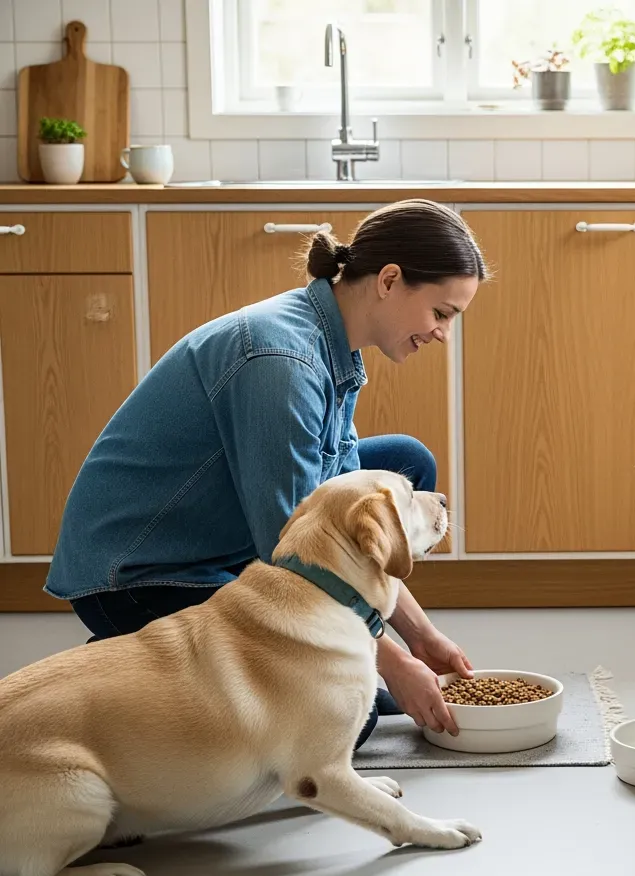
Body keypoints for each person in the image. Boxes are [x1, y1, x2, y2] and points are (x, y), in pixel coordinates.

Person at [44, 198, 487, 751]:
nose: (443, 333)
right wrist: (392, 662)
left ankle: (201, 672)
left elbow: (344, 521)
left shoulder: (331, 344)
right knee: (337, 719)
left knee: (405, 464)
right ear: (390, 281)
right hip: (142, 575)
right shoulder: (282, 362)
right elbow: (298, 554)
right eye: (441, 313)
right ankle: (124, 681)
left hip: (222, 540)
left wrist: (421, 638)